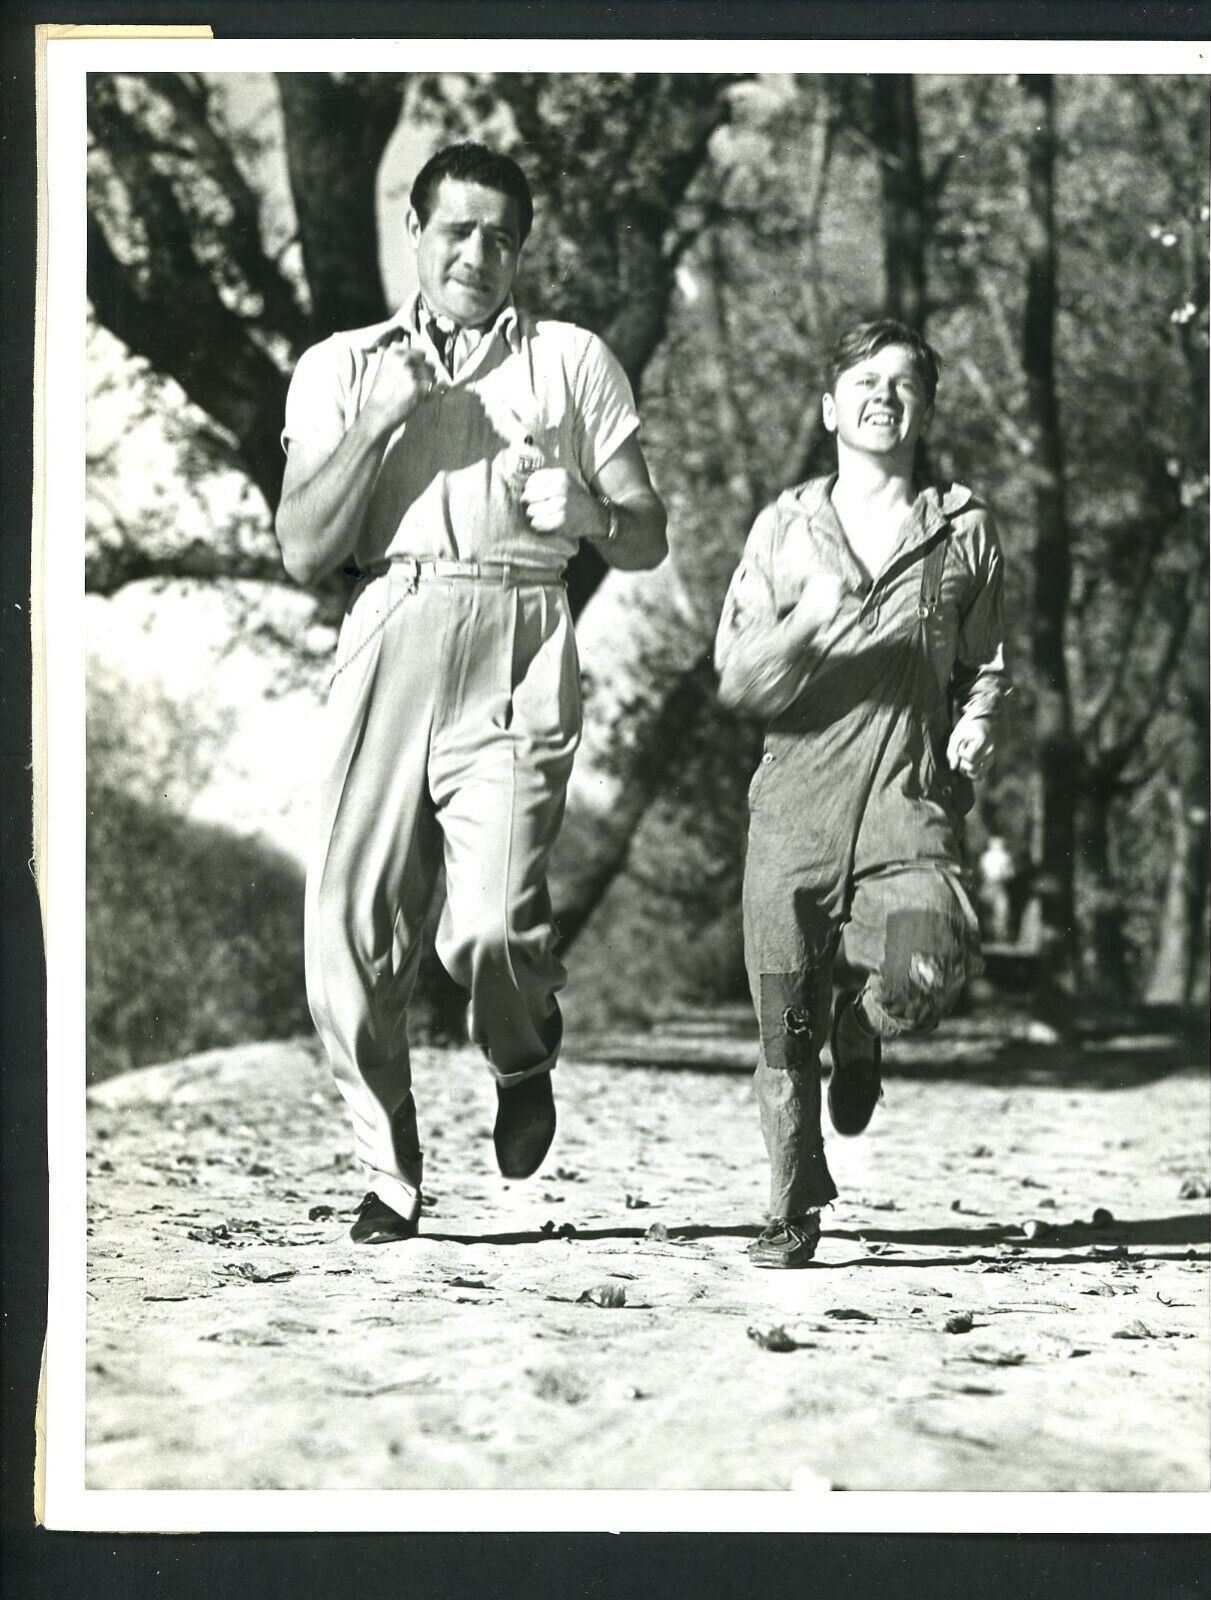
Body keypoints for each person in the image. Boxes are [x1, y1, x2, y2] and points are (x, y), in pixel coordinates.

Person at [276, 143, 667, 1245]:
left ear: (522, 249)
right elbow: (304, 547)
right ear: (415, 232)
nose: (478, 254)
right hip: (387, 624)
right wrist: (373, 426)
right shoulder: (341, 364)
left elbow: (649, 533)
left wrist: (588, 513)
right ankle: (391, 1159)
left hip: (521, 632)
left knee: (491, 923)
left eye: (501, 235)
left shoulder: (574, 361)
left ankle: (521, 1049)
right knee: (345, 940)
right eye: (456, 230)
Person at [713, 319, 1009, 1268]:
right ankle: (792, 1204)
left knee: (929, 965)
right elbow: (737, 677)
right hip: (794, 806)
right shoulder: (782, 528)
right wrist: (805, 623)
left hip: (906, 799)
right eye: (863, 381)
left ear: (924, 407)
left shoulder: (963, 529)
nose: (883, 395)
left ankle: (864, 1029)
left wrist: (976, 720)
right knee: (783, 1021)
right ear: (829, 406)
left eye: (904, 382)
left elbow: (985, 665)